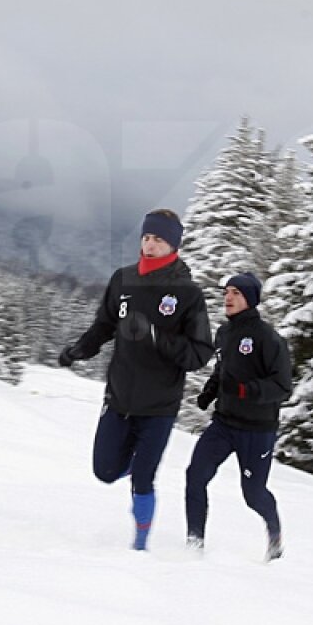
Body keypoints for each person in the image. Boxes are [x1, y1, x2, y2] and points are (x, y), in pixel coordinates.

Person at [58, 209, 213, 550]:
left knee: (143, 480)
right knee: (104, 471)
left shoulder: (187, 293)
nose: (150, 244)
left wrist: (156, 337)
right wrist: (78, 350)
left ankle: (139, 545)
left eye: (158, 239)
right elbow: (104, 325)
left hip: (158, 406)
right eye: (146, 237)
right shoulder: (123, 279)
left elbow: (200, 353)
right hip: (119, 397)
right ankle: (133, 467)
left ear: (173, 245)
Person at [187, 273, 292, 561]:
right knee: (195, 477)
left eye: (236, 293)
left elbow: (283, 387)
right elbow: (224, 369)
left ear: (251, 299)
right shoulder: (224, 333)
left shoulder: (269, 338)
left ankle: (274, 535)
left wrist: (246, 390)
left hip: (257, 430)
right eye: (226, 292)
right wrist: (211, 390)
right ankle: (194, 543)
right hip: (224, 423)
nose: (228, 298)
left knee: (253, 494)